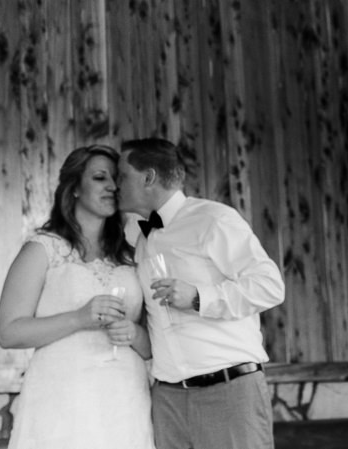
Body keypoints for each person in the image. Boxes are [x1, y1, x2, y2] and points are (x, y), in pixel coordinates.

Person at [117, 137, 285, 449]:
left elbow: (269, 285)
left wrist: (198, 297)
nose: (116, 184)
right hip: (167, 399)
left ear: (148, 177)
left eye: (122, 175)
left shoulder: (213, 219)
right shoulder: (137, 235)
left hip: (228, 390)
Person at [0, 144, 154, 449]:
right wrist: (79, 318)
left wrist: (134, 333)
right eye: (99, 177)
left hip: (125, 397)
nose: (111, 186)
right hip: (62, 396)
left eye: (115, 179)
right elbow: (8, 332)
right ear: (75, 188)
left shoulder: (132, 255)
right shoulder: (43, 250)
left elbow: (151, 348)